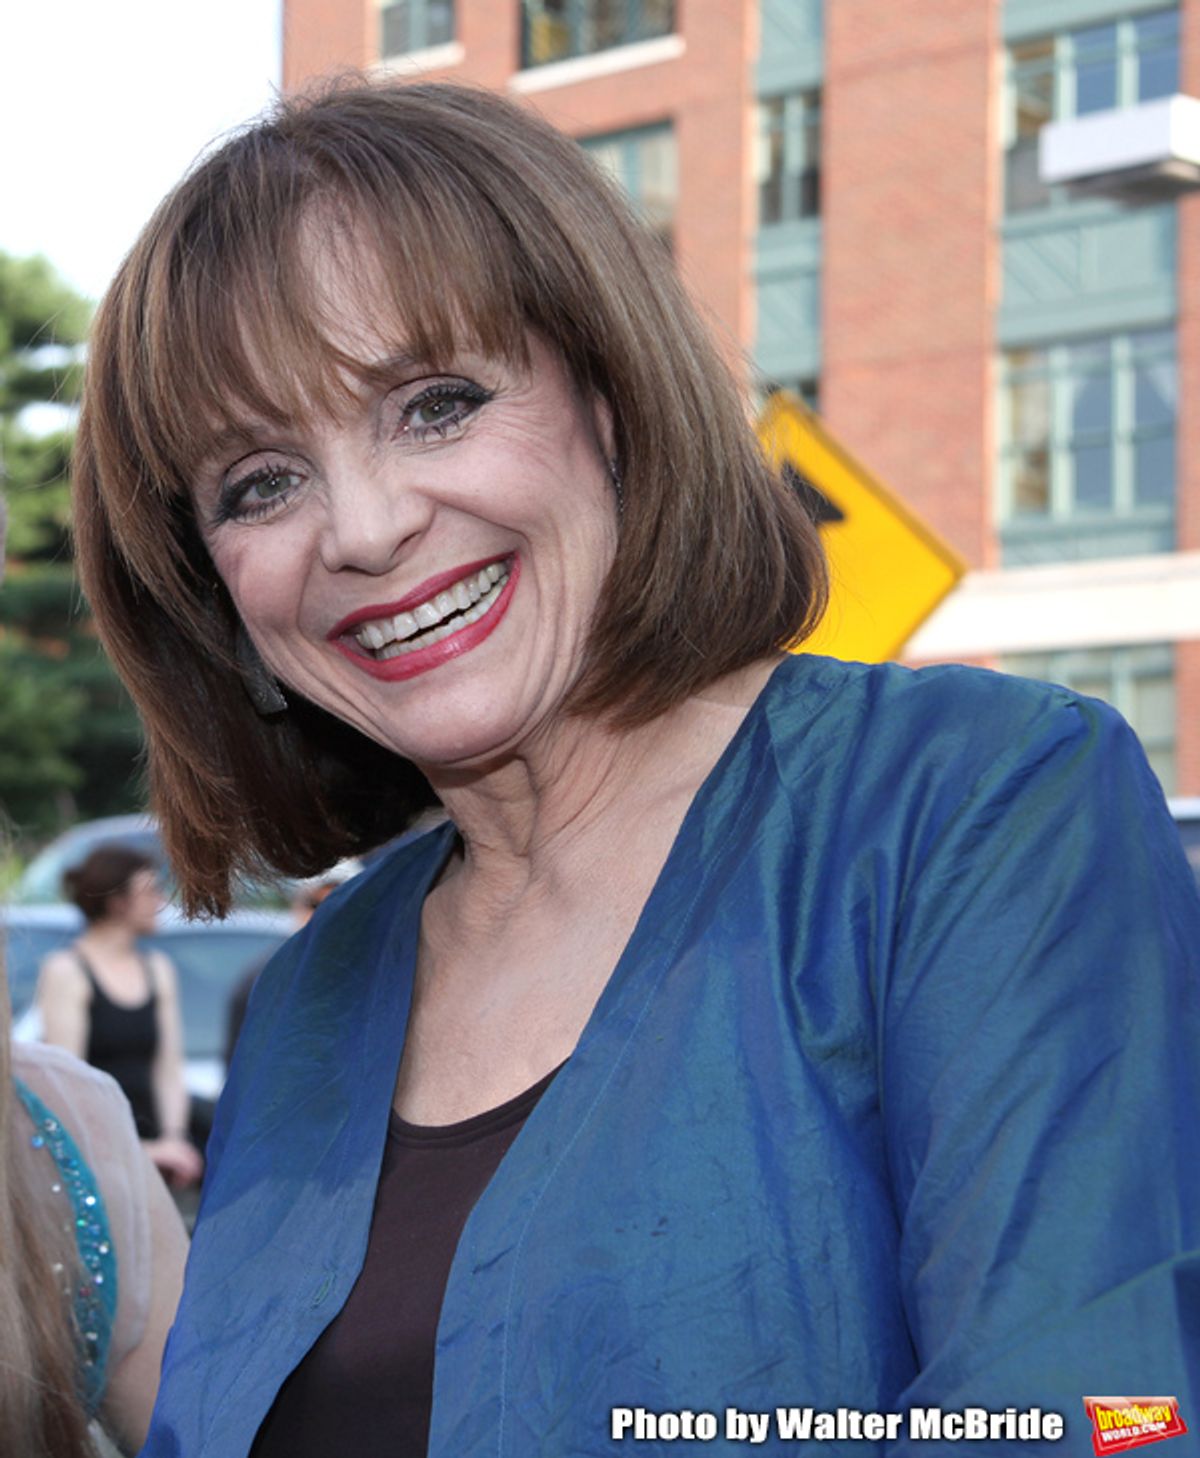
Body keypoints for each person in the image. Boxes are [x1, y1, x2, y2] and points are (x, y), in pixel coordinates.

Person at [71, 79, 1199, 1457]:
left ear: (610, 401)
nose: (361, 529)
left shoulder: (975, 812)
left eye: (435, 403)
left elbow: (1102, 1417)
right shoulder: (313, 986)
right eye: (260, 481)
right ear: (214, 593)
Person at [0, 507, 189, 1455]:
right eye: (147, 884)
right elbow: (64, 1056)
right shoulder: (71, 974)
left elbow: (148, 1068)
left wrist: (152, 1137)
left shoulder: (150, 975)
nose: (162, 897)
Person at [37, 846, 204, 1190]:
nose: (160, 901)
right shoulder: (68, 971)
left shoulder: (157, 968)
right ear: (118, 902)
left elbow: (168, 1067)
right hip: (98, 1155)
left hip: (155, 1149)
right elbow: (69, 1085)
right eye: (151, 891)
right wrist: (142, 1150)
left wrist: (173, 1138)